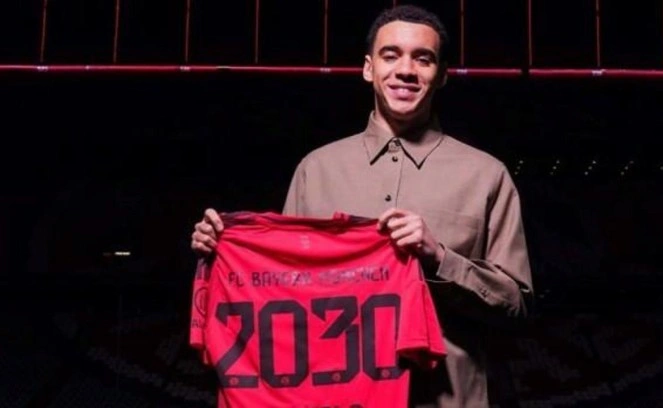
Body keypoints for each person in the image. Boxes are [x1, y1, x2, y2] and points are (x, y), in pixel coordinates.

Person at [190, 4, 533, 407]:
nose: (406, 70)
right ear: (369, 68)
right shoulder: (316, 170)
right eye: (391, 55)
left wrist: (440, 258)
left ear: (441, 75)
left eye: (423, 59)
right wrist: (222, 252)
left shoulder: (487, 175)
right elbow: (282, 296)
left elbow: (516, 306)